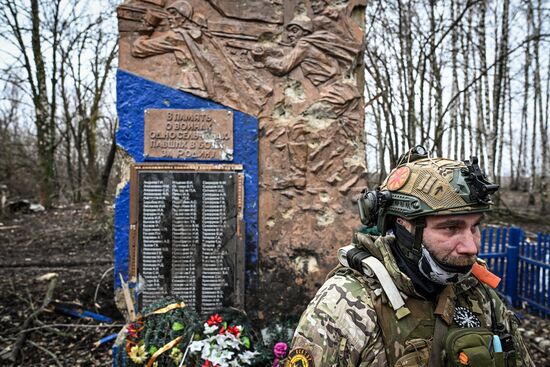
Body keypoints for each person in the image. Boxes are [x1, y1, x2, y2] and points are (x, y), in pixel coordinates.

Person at [285, 146, 534, 366]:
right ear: (403, 227)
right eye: (450, 228)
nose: (471, 247)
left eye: (474, 227)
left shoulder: (477, 293)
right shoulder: (347, 306)